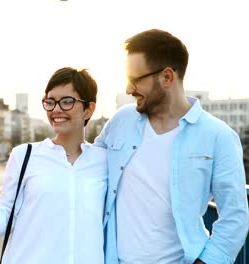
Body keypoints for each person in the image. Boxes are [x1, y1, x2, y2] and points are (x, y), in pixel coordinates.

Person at [94, 29, 249, 264]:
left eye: (135, 79)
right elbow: (89, 172)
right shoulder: (120, 122)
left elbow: (235, 216)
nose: (128, 89)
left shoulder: (219, 137)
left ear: (167, 77)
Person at [0, 67, 107, 263]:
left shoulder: (104, 161)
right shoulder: (25, 155)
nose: (56, 109)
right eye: (50, 102)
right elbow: (1, 223)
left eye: (67, 102)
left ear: (88, 110)